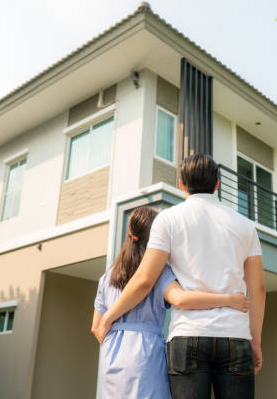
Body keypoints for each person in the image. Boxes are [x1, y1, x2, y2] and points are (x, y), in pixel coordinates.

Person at [97, 154, 266, 399]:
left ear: (181, 183)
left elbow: (144, 279)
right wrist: (255, 341)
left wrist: (110, 316)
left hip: (188, 337)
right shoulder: (246, 226)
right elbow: (258, 288)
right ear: (217, 183)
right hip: (235, 335)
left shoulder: (168, 219)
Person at [91, 205, 250, 399]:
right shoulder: (158, 273)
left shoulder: (107, 276)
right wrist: (228, 299)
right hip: (145, 355)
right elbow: (181, 299)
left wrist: (116, 343)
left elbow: (96, 327)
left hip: (112, 355)